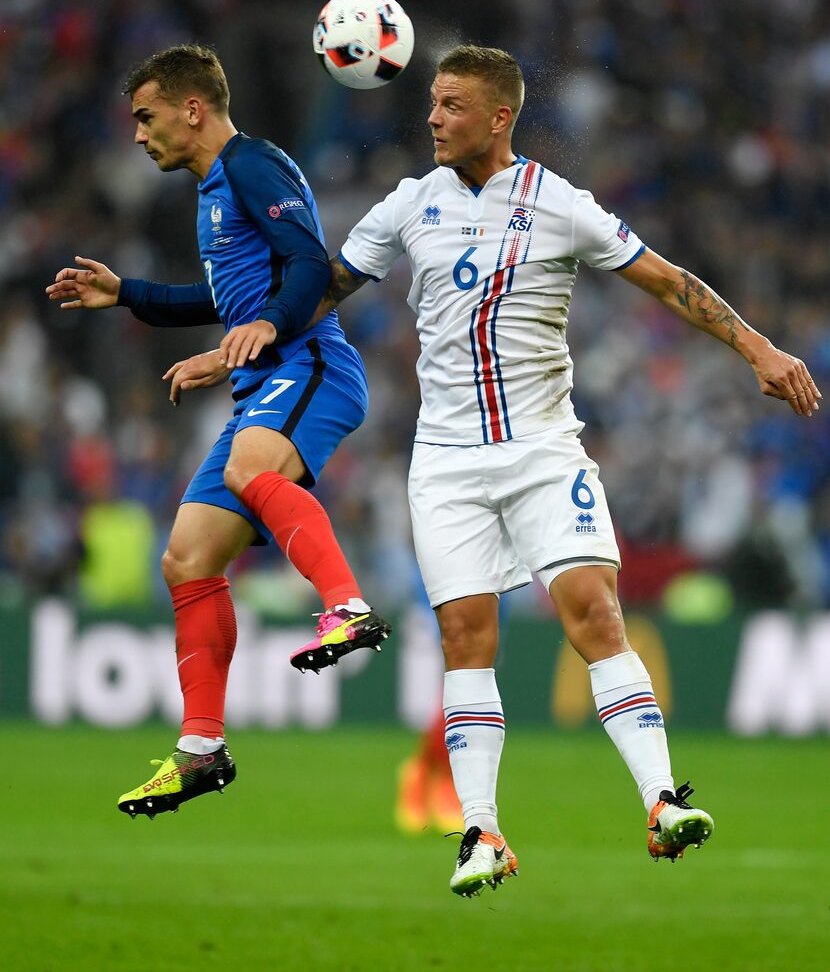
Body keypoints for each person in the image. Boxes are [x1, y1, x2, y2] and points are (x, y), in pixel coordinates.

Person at [313, 45, 822, 896]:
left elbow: (666, 280)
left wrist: (757, 346)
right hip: (444, 463)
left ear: (499, 116)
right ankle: (482, 832)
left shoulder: (558, 203)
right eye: (432, 103)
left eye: (450, 105)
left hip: (546, 449)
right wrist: (226, 336)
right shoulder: (408, 205)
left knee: (593, 608)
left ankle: (661, 801)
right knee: (467, 638)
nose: (432, 118)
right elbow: (322, 289)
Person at [45, 44, 391, 819]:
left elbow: (308, 261)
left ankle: (346, 605)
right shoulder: (214, 191)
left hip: (309, 366)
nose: (137, 135)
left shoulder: (251, 164)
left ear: (191, 108)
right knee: (186, 558)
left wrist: (267, 325)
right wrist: (126, 292)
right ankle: (201, 750)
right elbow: (224, 291)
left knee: (245, 472)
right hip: (261, 378)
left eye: (146, 115)